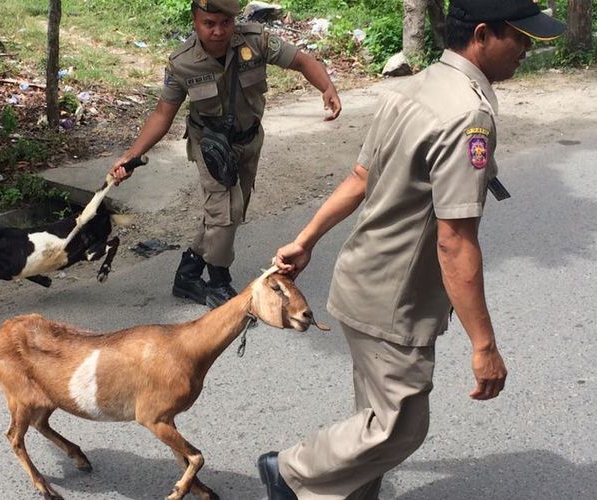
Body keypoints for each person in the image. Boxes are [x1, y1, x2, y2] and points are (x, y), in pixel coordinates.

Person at [257, 1, 566, 499]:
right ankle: (290, 470)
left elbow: (362, 177)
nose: (527, 48)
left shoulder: (416, 85)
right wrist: (483, 344)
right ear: (482, 35)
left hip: (363, 280)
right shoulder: (469, 115)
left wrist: (306, 239)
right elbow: (455, 241)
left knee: (372, 421)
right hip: (392, 302)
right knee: (397, 427)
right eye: (520, 36)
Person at [110, 0, 342, 308]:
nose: (218, 31)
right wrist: (131, 155)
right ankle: (219, 282)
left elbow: (302, 61)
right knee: (225, 214)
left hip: (248, 142)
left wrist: (327, 87)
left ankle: (189, 273)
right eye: (209, 24)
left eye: (225, 23)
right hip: (210, 146)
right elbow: (162, 115)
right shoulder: (182, 62)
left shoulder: (256, 40)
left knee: (232, 211)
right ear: (195, 22)